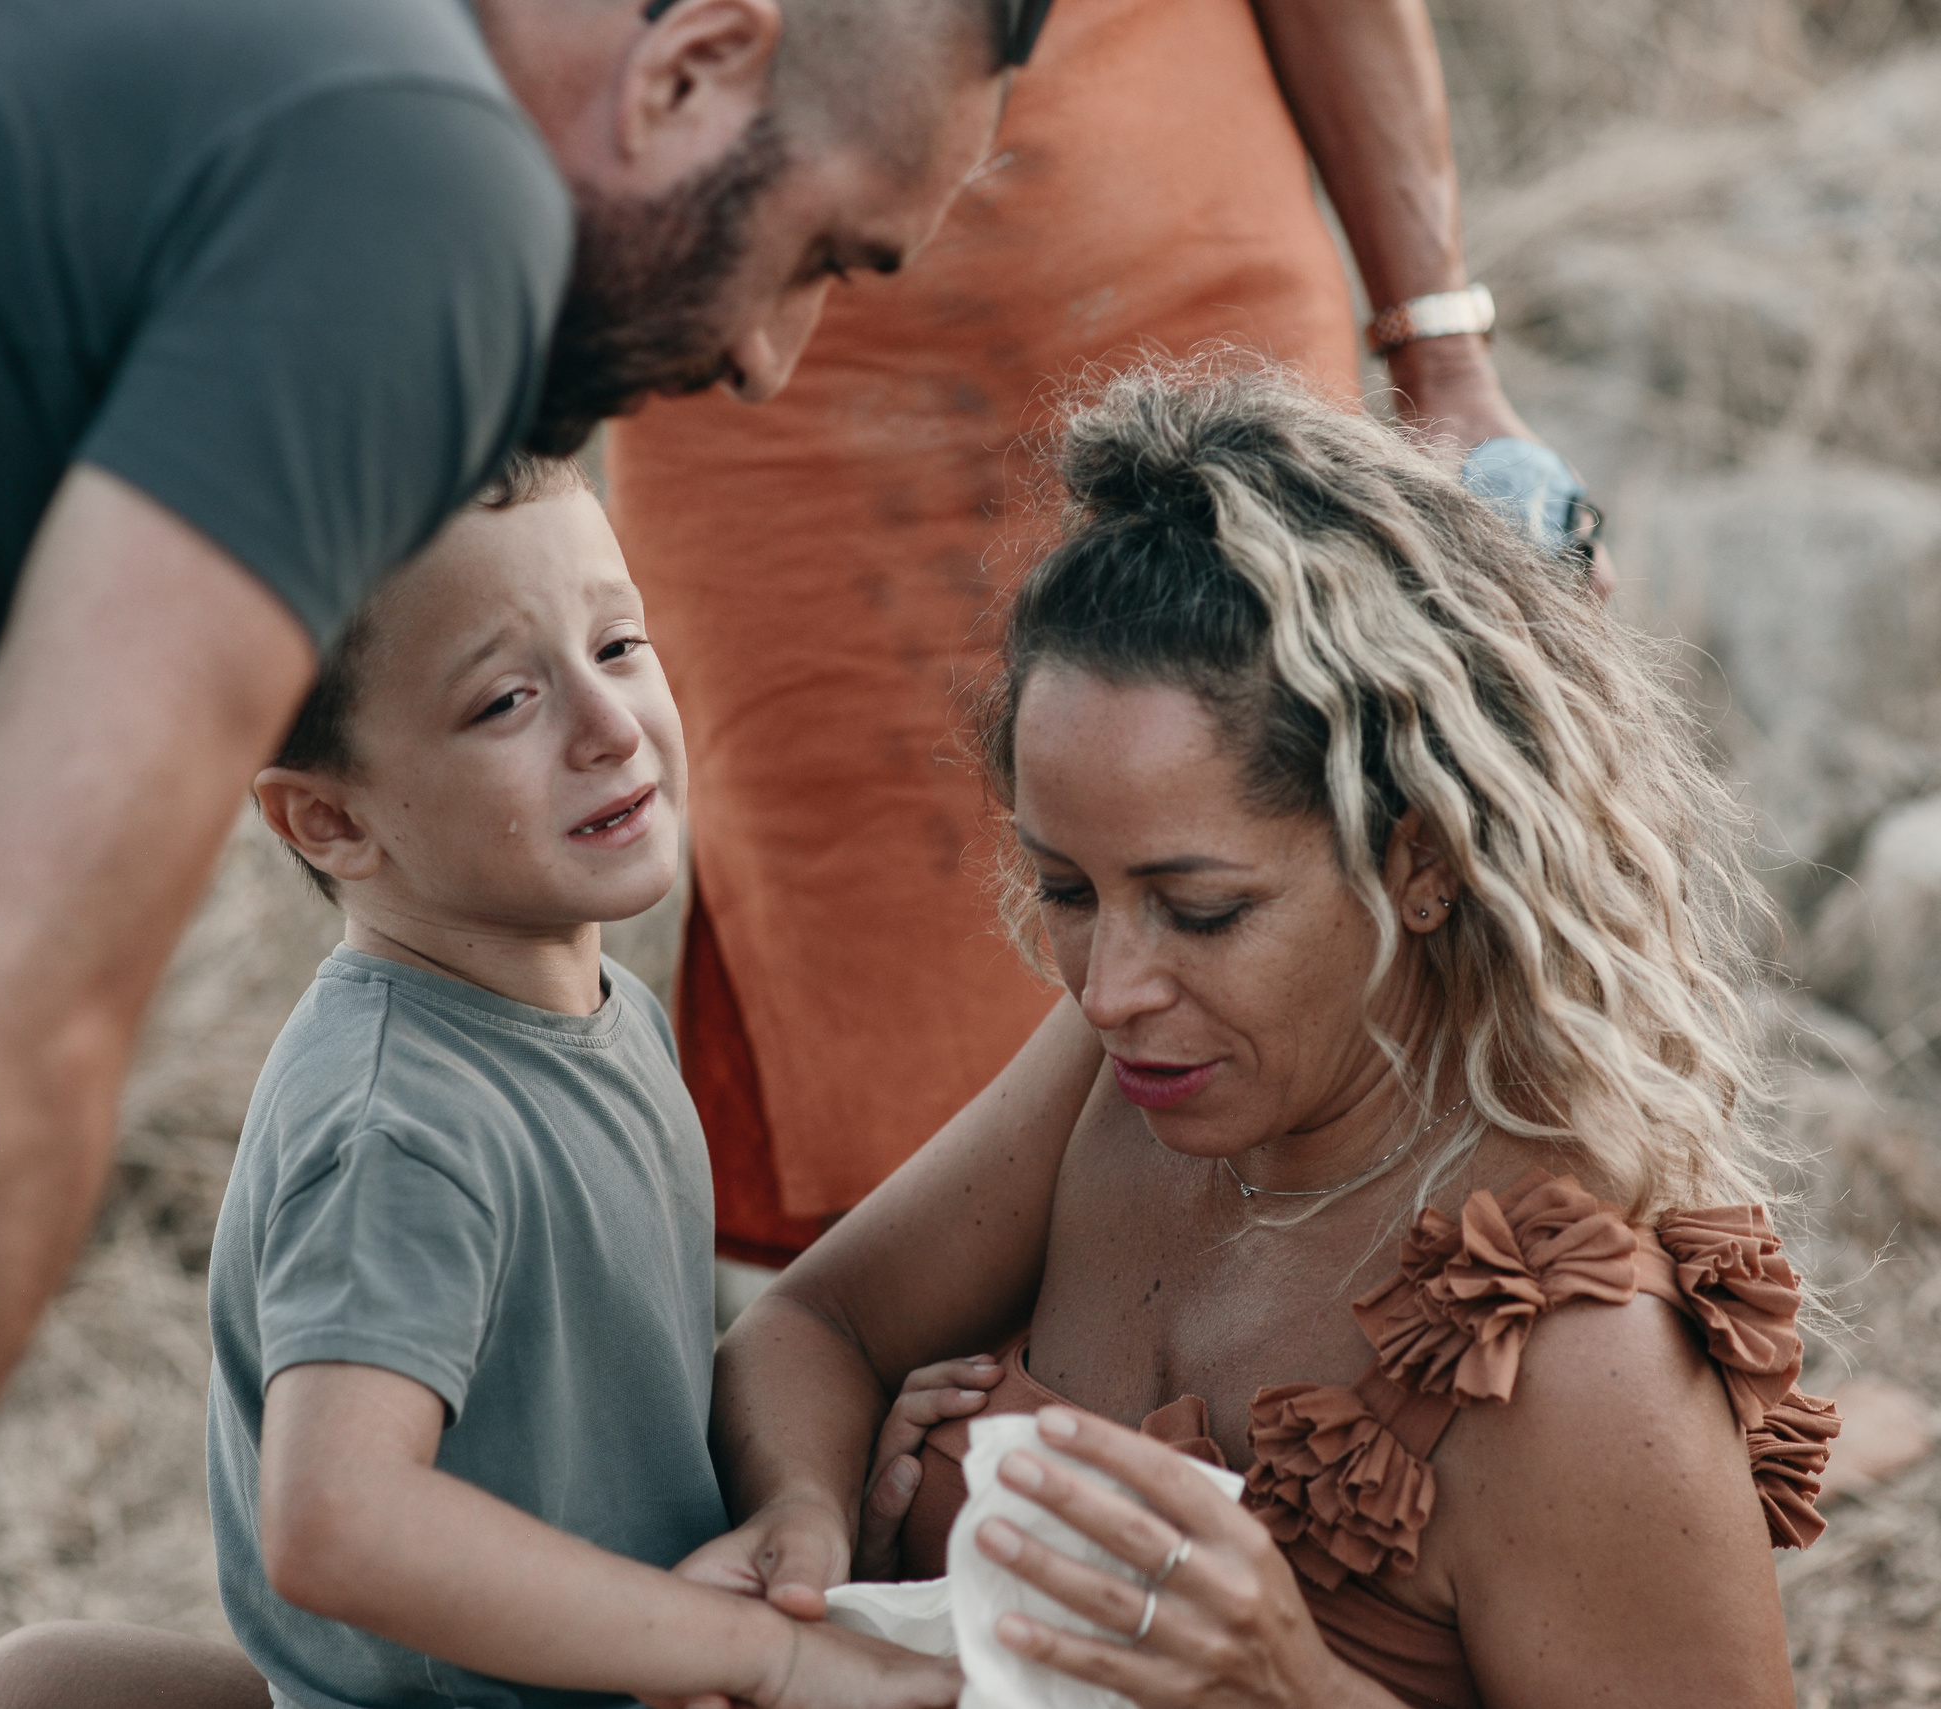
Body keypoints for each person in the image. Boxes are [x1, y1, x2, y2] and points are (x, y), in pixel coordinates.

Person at [0, 0, 1015, 1699]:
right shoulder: (422, 193)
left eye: (622, 650)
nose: (772, 357)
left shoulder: (302, 99)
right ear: (691, 65)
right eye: (813, 251)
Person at [696, 364, 1833, 1707]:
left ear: (1421, 860)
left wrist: (1296, 1687)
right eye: (1066, 889)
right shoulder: (1130, 1073)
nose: (1111, 985)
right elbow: (809, 1328)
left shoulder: (1574, 1364)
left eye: (1201, 908)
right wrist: (813, 1534)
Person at [606, 0, 1609, 1278]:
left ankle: (1357, 1400)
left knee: (1286, 857)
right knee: (880, 970)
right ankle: (961, 1424)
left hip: (1176, 297)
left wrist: (1441, 351)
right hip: (768, 382)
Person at [0, 459, 957, 1709]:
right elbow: (334, 1519)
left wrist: (812, 1504)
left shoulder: (603, 1013)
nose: (608, 723)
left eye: (620, 641)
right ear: (328, 823)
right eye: (504, 701)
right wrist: (768, 1652)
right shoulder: (403, 1125)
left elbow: (592, 1421)